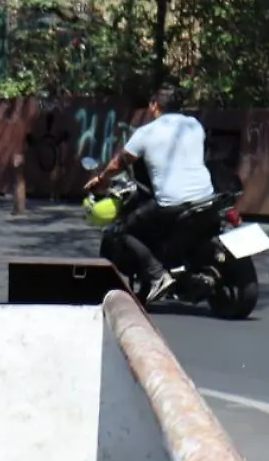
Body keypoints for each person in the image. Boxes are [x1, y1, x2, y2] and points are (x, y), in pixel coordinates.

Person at [84, 83, 215, 303]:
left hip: (172, 203)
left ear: (154, 106)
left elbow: (120, 163)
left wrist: (101, 179)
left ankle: (157, 275)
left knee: (122, 231)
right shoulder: (194, 125)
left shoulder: (146, 133)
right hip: (207, 197)